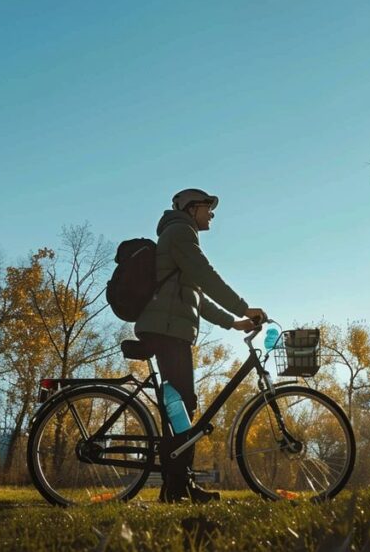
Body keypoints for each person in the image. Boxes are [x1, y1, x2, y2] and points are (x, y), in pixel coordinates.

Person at [135, 188, 266, 503]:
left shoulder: (178, 234)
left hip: (169, 329)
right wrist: (243, 307)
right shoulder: (181, 232)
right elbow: (206, 277)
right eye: (208, 207)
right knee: (183, 407)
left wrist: (231, 322)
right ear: (192, 208)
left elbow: (197, 296)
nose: (212, 214)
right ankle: (178, 488)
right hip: (167, 331)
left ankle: (178, 486)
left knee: (179, 409)